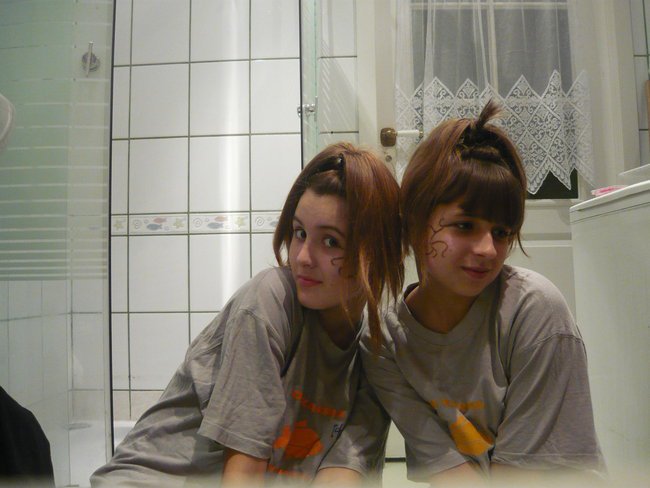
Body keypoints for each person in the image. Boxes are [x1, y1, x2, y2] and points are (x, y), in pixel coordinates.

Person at [91, 142, 403, 487]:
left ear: (378, 253)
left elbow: (341, 476)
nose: (302, 257)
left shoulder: (374, 354)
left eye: (331, 242)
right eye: (299, 233)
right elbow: (243, 476)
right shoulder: (271, 301)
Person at [361, 100, 605, 486]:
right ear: (415, 221)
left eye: (502, 232)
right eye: (464, 225)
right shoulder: (385, 339)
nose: (488, 250)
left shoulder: (534, 312)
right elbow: (447, 471)